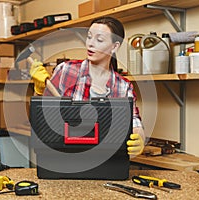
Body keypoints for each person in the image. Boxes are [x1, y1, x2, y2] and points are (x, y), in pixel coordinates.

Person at [30, 16, 145, 156]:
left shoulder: (123, 86)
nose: (90, 44)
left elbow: (134, 122)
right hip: (64, 156)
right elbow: (42, 117)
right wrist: (40, 91)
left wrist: (140, 139)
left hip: (106, 159)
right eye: (89, 37)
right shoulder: (66, 70)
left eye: (99, 40)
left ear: (115, 47)